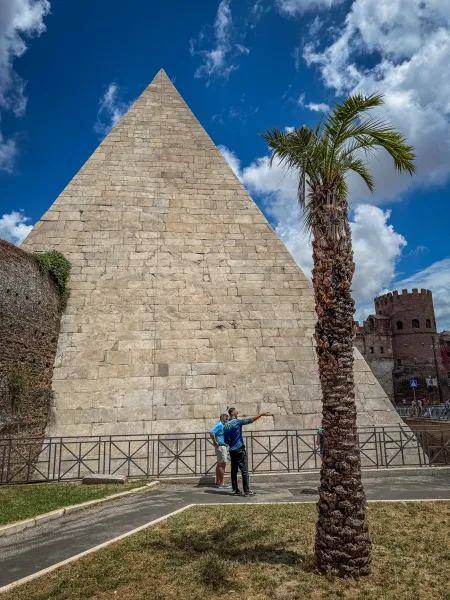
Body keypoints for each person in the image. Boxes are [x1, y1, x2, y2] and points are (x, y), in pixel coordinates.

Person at [223, 407, 271, 497]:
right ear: (234, 413)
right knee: (244, 470)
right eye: (237, 412)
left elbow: (225, 440)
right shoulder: (237, 422)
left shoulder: (225, 425)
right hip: (239, 449)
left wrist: (231, 443)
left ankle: (235, 489)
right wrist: (260, 414)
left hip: (232, 450)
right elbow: (250, 420)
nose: (238, 413)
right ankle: (246, 490)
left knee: (234, 471)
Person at [209, 413, 230, 488]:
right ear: (222, 418)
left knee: (219, 464)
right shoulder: (220, 425)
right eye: (226, 418)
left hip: (221, 447)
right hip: (221, 447)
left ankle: (218, 481)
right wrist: (214, 442)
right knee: (222, 464)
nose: (227, 419)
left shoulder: (222, 425)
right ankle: (222, 483)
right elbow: (211, 432)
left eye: (227, 418)